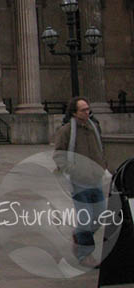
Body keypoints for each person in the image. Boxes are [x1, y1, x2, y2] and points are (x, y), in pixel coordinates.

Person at [53, 96, 108, 267]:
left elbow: (101, 148)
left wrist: (102, 165)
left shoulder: (94, 127)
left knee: (99, 217)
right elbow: (59, 155)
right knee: (85, 219)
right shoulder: (67, 130)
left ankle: (78, 236)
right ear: (75, 113)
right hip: (79, 182)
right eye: (83, 109)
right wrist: (73, 170)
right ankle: (85, 255)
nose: (87, 112)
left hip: (95, 179)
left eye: (87, 108)